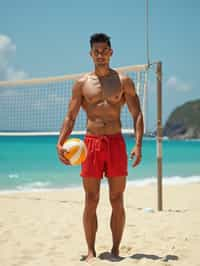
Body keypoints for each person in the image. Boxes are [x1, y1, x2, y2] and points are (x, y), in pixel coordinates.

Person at [57, 33, 144, 262]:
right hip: (91, 144)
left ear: (111, 52)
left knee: (117, 198)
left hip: (115, 142)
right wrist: (60, 142)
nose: (100, 55)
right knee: (91, 199)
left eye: (104, 50)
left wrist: (137, 144)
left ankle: (115, 250)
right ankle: (91, 251)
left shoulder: (124, 81)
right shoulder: (82, 84)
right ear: (90, 54)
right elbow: (71, 116)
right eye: (96, 51)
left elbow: (136, 113)